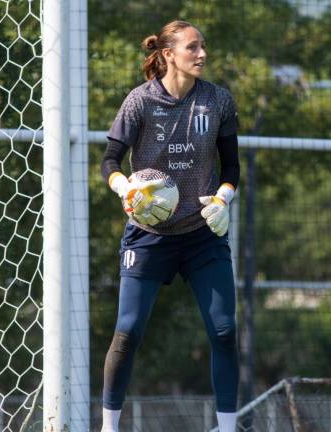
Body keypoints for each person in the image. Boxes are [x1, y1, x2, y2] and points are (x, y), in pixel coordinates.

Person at [99, 20, 241, 432]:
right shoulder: (139, 102)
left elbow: (231, 166)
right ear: (168, 54)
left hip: (202, 234)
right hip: (148, 237)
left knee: (225, 331)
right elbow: (109, 160)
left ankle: (227, 428)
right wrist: (124, 187)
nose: (202, 54)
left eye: (204, 47)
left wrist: (222, 199)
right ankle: (109, 428)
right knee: (127, 333)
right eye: (193, 48)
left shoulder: (218, 101)